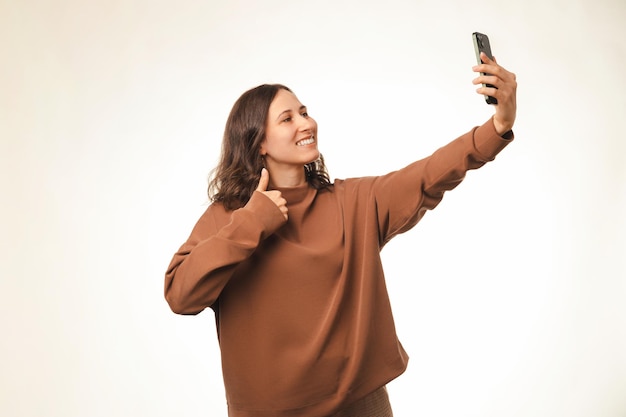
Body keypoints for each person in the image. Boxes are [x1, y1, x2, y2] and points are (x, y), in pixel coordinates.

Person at [164, 52, 517, 417]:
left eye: (304, 112)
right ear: (259, 143)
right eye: (288, 118)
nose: (306, 123)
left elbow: (429, 174)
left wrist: (498, 125)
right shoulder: (228, 216)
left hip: (360, 405)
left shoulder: (353, 203)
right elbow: (180, 294)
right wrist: (252, 221)